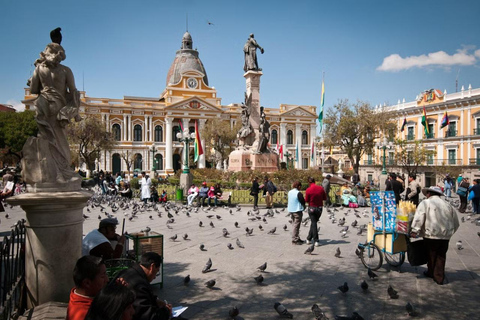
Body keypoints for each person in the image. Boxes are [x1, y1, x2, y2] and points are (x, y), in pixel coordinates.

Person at [23, 40, 82, 189]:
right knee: (60, 140)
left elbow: (34, 90)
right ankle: (61, 173)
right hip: (58, 107)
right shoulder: (65, 70)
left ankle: (51, 174)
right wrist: (73, 111)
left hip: (42, 104)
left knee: (47, 140)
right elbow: (73, 92)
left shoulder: (39, 69)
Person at [410, 186, 459, 285]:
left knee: (431, 254)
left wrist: (415, 230)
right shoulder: (448, 205)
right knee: (441, 255)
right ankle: (439, 276)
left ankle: (432, 273)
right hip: (445, 236)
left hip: (431, 234)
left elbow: (419, 217)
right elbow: (456, 222)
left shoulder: (425, 203)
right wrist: (449, 233)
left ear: (429, 194)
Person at [115, 252, 172, 320]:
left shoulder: (126, 272)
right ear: (152, 267)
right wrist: (166, 311)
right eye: (157, 271)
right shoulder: (139, 285)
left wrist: (155, 300)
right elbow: (148, 316)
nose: (154, 277)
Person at [67, 256, 108, 320]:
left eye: (106, 274)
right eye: (103, 276)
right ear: (87, 283)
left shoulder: (77, 294)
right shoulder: (83, 315)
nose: (107, 279)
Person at [305, 177, 327, 247]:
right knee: (314, 223)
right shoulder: (320, 188)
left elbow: (306, 200)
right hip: (319, 208)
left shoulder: (308, 189)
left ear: (309, 182)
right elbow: (324, 198)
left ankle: (315, 240)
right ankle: (308, 238)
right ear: (315, 181)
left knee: (313, 223)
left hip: (312, 207)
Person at [288, 181, 306, 245]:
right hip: (297, 210)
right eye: (300, 186)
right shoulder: (298, 193)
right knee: (296, 225)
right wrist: (304, 206)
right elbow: (302, 201)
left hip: (291, 210)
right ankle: (295, 239)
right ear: (299, 186)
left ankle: (297, 237)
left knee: (294, 224)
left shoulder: (290, 192)